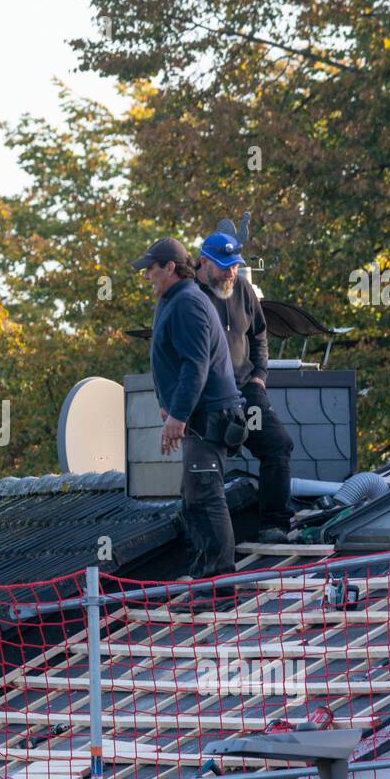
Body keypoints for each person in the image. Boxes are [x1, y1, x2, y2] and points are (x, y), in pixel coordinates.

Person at [131, 237, 247, 594]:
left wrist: (177, 416)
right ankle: (205, 575)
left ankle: (219, 584)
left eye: (151, 269)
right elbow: (174, 362)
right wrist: (169, 405)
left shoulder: (187, 303)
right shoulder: (174, 300)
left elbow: (194, 366)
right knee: (194, 496)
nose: (147, 276)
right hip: (200, 415)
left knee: (206, 496)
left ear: (170, 267)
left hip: (208, 416)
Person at [195, 224, 296, 543]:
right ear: (204, 263)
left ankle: (274, 525)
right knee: (208, 467)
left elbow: (259, 334)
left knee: (278, 444)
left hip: (246, 390)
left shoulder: (243, 288)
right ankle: (207, 544)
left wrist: (259, 377)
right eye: (224, 268)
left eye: (235, 266)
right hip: (207, 397)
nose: (231, 273)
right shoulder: (188, 297)